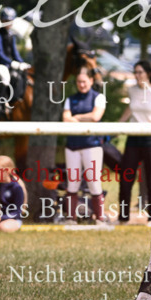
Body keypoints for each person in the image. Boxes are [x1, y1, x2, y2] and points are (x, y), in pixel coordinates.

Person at [117, 60, 151, 223]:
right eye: (135, 72)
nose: (137, 75)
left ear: (148, 73)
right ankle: (122, 217)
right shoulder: (132, 90)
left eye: (140, 72)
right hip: (133, 137)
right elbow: (131, 109)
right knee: (126, 178)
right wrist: (118, 125)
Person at [62, 67, 108, 222]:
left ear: (91, 81)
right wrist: (76, 118)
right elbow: (65, 118)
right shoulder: (70, 99)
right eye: (79, 82)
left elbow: (96, 116)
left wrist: (77, 117)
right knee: (72, 183)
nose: (81, 85)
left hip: (91, 145)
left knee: (94, 182)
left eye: (84, 81)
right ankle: (71, 218)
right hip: (73, 145)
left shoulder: (98, 97)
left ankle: (100, 218)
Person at [0, 6, 30, 116]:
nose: (8, 23)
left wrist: (22, 62)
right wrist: (11, 62)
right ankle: (0, 104)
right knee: (5, 78)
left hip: (8, 65)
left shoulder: (11, 35)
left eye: (10, 20)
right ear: (2, 20)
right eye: (6, 20)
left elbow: (15, 52)